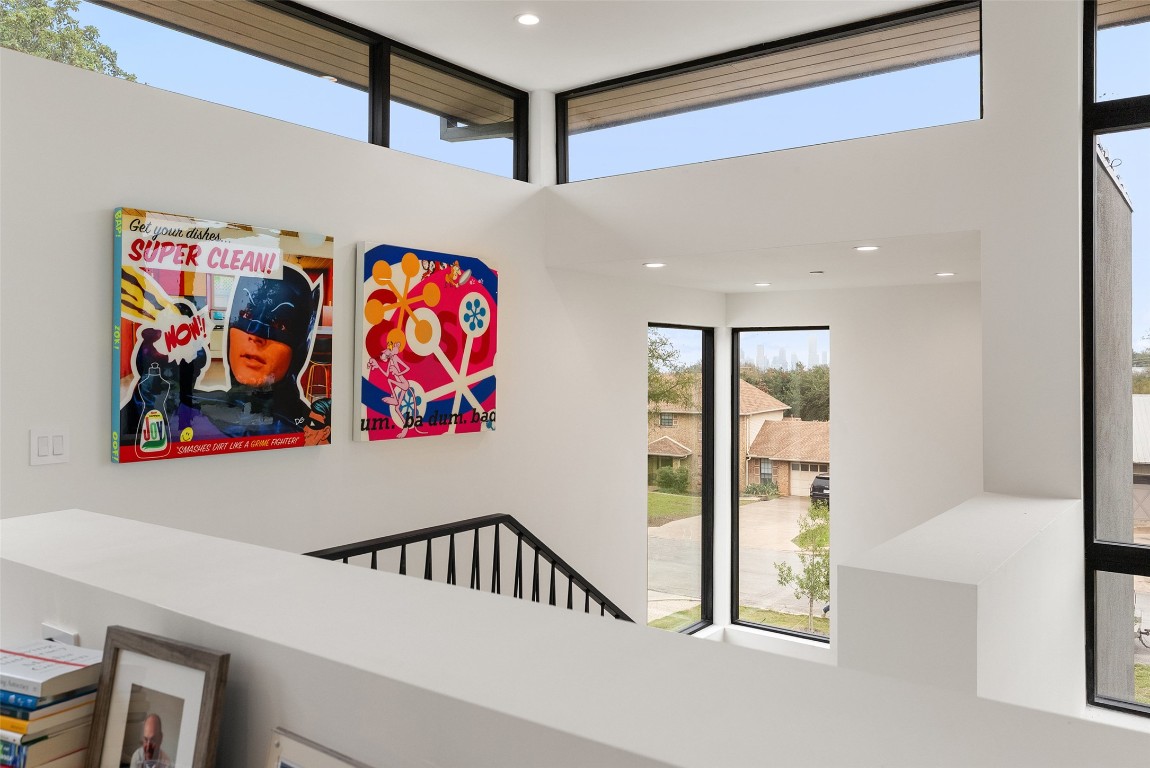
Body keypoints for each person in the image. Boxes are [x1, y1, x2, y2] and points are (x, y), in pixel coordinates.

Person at [120, 264, 322, 443]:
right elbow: (132, 438)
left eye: (280, 324)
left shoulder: (310, 431)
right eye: (246, 314)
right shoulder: (204, 407)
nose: (255, 334)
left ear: (299, 345)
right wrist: (155, 388)